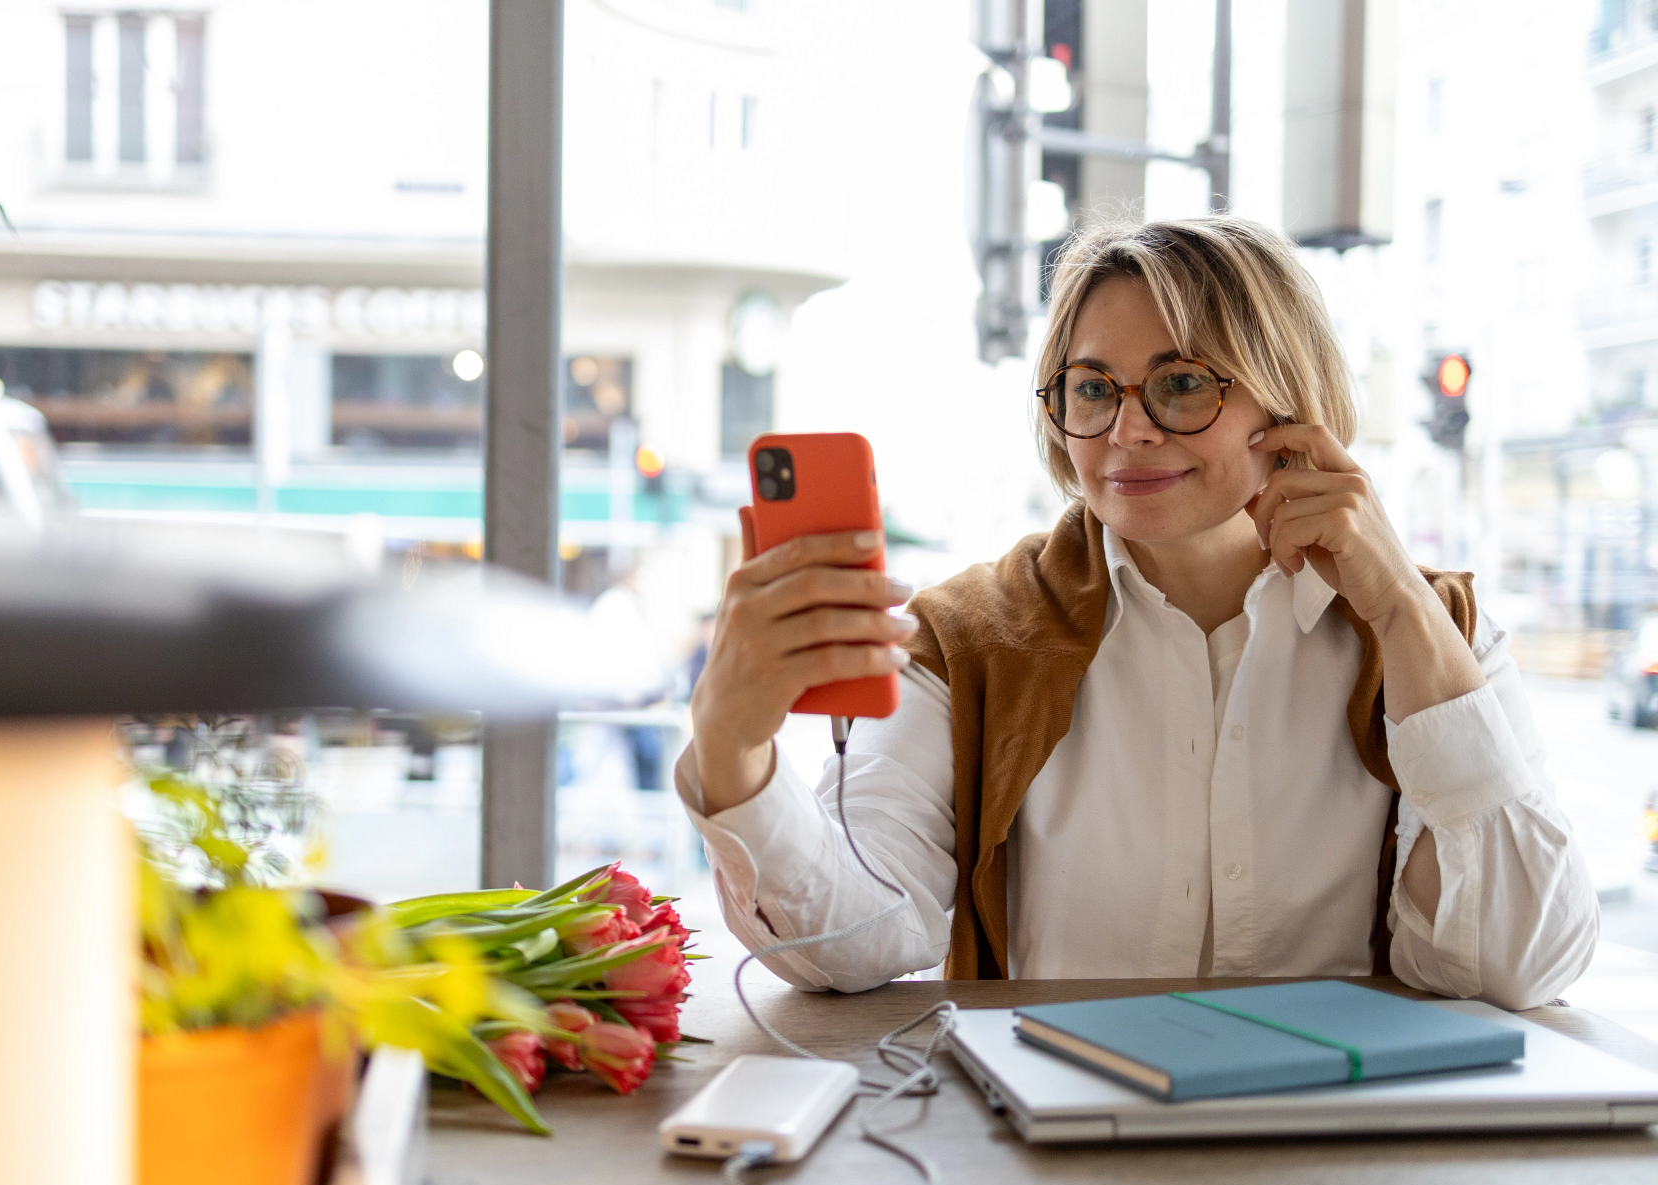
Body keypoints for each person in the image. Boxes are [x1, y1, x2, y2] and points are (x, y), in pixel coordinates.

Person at [679, 217, 1597, 1011]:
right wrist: (733, 750)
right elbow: (858, 938)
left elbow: (1524, 961)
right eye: (1091, 387)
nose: (1128, 430)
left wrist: (1398, 605)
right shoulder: (967, 639)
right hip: (1054, 1176)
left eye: (1183, 382)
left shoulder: (1438, 630)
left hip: (1341, 1171)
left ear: (1286, 399)